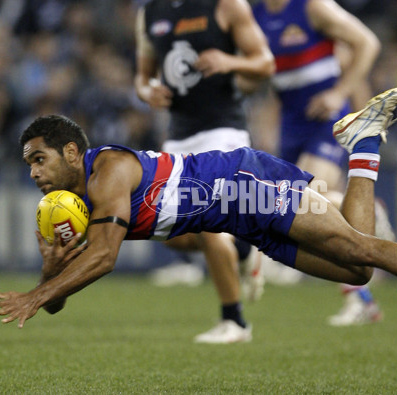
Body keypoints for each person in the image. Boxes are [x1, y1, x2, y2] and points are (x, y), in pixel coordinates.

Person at [0, 87, 397, 363]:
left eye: (40, 159)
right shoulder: (73, 209)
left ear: (72, 152)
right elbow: (61, 296)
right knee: (356, 268)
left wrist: (41, 292)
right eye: (29, 163)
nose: (34, 172)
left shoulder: (107, 174)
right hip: (238, 217)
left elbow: (104, 258)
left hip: (239, 183)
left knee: (364, 249)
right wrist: (49, 274)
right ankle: (365, 145)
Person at [133, 0, 275, 343]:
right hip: (178, 134)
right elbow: (142, 77)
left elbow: (265, 62)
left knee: (206, 220)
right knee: (172, 233)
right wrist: (147, 91)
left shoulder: (226, 5)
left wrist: (229, 61)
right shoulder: (151, 12)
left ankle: (234, 321)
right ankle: (242, 249)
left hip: (222, 130)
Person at [249, 0, 385, 325]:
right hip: (291, 126)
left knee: (318, 197)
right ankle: (363, 296)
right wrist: (267, 123)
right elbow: (274, 82)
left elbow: (368, 43)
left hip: (327, 120)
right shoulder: (256, 15)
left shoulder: (313, 7)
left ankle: (357, 292)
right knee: (322, 213)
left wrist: (340, 93)